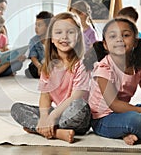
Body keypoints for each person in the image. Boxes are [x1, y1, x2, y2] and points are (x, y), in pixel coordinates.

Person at [11, 12, 91, 143]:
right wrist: (44, 117)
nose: (64, 37)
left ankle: (40, 128)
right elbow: (45, 96)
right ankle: (55, 132)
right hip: (57, 114)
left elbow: (76, 96)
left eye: (70, 32)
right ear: (52, 39)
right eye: (58, 32)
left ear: (78, 37)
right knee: (16, 108)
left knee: (80, 106)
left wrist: (53, 115)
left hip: (74, 117)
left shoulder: (81, 64)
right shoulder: (48, 67)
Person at [24, 11, 54, 78]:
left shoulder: (54, 39)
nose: (36, 28)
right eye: (36, 25)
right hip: (38, 63)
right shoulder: (33, 40)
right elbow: (33, 57)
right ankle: (44, 72)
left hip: (51, 63)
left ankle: (47, 72)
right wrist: (39, 66)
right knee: (30, 70)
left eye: (39, 25)